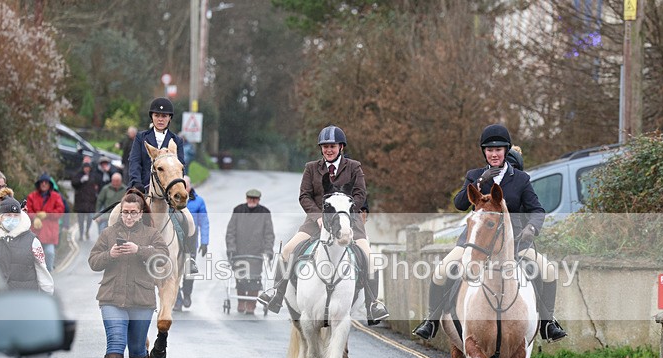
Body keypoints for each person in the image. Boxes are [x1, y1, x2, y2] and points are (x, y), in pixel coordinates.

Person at [412, 124, 567, 342]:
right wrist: (480, 181)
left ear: (506, 151)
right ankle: (431, 321)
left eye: (498, 150)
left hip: (514, 245)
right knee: (441, 271)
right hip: (475, 243)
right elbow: (459, 204)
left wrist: (531, 228)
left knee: (548, 270)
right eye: (489, 150)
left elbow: (537, 210)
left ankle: (548, 323)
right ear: (484, 151)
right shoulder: (474, 175)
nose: (494, 154)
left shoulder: (521, 179)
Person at [257, 125, 389, 325]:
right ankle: (276, 292)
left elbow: (360, 195)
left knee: (370, 258)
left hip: (348, 222)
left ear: (341, 147)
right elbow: (304, 196)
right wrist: (318, 216)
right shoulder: (311, 168)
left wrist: (345, 215)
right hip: (315, 222)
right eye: (325, 146)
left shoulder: (354, 167)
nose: (328, 150)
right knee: (288, 250)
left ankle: (373, 304)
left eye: (332, 146)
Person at [88, 191, 168, 358]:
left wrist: (139, 250)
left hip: (141, 300)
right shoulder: (108, 233)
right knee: (115, 341)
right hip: (111, 298)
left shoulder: (152, 234)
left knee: (136, 347)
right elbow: (93, 261)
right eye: (125, 212)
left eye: (133, 213)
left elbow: (163, 258)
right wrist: (110, 255)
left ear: (141, 213)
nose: (129, 216)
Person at [0, 196, 53, 294]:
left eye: (16, 215)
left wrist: (47, 296)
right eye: (8, 215)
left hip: (26, 299)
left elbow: (42, 271)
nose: (12, 218)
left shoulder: (32, 241)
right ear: (0, 217)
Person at [225, 188, 274, 314]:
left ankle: (252, 303)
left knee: (255, 279)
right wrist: (231, 248)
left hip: (256, 252)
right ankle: (241, 301)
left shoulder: (265, 212)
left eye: (255, 198)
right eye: (250, 198)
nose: (252, 200)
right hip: (239, 251)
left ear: (258, 200)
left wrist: (268, 251)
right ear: (246, 198)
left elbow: (269, 234)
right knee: (240, 277)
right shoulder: (238, 210)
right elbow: (231, 231)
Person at [128, 97, 185, 192]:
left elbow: (181, 167)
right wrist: (136, 182)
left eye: (164, 116)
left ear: (170, 118)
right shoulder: (140, 137)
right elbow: (135, 162)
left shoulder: (177, 140)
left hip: (168, 190)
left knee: (184, 207)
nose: (160, 119)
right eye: (157, 115)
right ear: (152, 117)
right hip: (143, 187)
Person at [175, 175, 209, 311]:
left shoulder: (199, 201)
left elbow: (204, 222)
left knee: (189, 270)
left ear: (190, 187)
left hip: (191, 240)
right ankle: (177, 299)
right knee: (174, 271)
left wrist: (205, 242)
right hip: (175, 241)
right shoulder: (173, 200)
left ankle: (187, 293)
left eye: (186, 186)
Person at [25, 173, 66, 273]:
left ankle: (49, 273)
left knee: (49, 253)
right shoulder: (32, 196)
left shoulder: (56, 197)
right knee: (33, 256)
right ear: (39, 184)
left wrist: (47, 214)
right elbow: (27, 210)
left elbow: (60, 210)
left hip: (49, 231)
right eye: (42, 182)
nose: (44, 184)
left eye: (46, 182)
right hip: (35, 231)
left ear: (49, 185)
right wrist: (34, 218)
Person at [72, 162, 99, 240]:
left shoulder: (93, 176)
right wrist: (81, 180)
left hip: (90, 201)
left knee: (90, 218)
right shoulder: (78, 175)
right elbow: (73, 183)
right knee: (80, 220)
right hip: (81, 202)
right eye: (85, 167)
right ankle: (81, 234)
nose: (87, 169)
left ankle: (87, 231)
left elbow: (98, 185)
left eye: (88, 168)